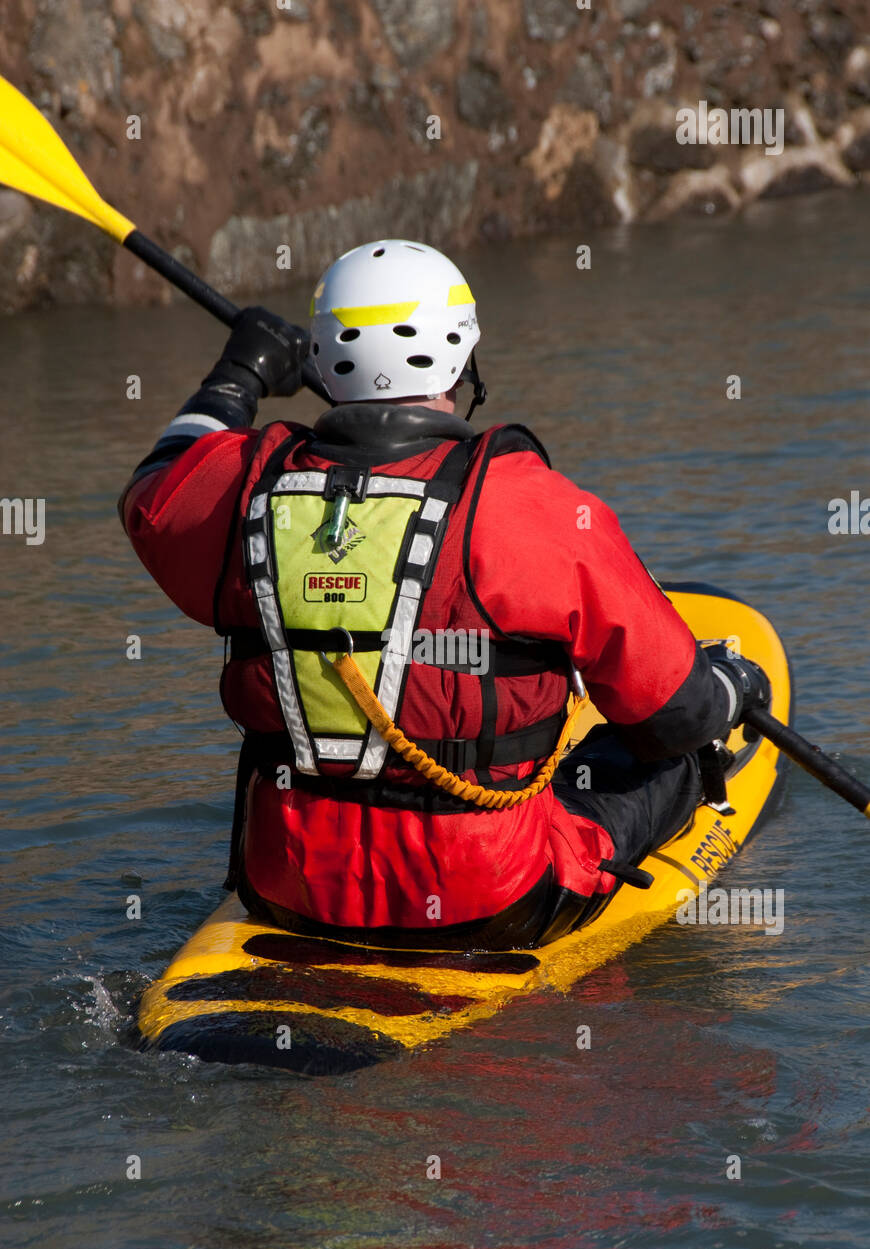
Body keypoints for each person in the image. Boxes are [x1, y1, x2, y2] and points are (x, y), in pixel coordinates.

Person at [120, 240, 770, 949]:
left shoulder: (241, 484)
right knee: (674, 752)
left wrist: (238, 372)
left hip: (292, 891)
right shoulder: (530, 505)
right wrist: (731, 692)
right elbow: (672, 714)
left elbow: (154, 490)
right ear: (462, 359)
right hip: (493, 902)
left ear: (321, 359)